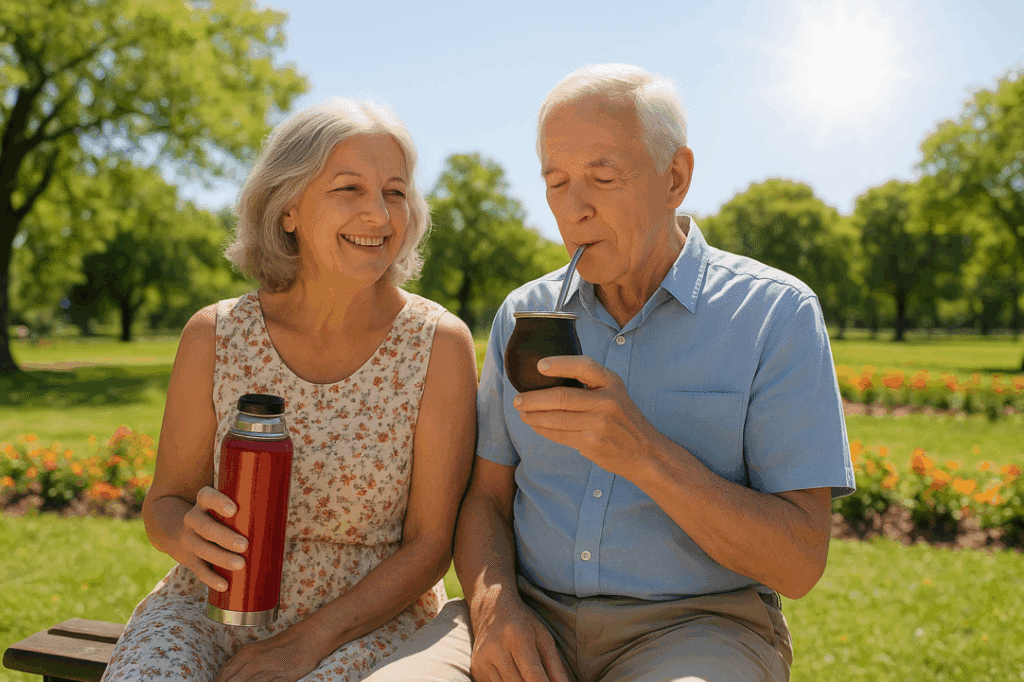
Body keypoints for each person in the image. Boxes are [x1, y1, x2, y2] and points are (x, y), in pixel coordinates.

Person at [362, 64, 855, 682]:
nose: (575, 210)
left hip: (697, 628)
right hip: (525, 613)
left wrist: (640, 450)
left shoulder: (775, 313)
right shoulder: (524, 314)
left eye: (603, 177)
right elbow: (486, 500)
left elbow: (800, 562)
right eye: (557, 182)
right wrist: (495, 610)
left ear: (675, 177)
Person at [101, 98, 478, 682]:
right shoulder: (216, 333)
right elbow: (164, 504)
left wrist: (305, 643)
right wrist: (186, 534)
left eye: (395, 192)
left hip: (365, 623)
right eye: (348, 189)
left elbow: (430, 546)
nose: (378, 214)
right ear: (287, 209)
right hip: (209, 609)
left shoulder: (438, 344)